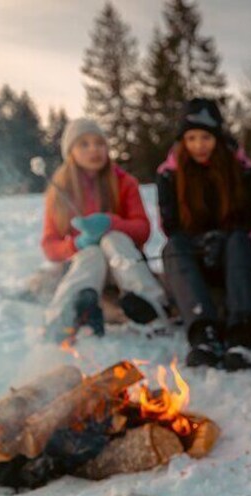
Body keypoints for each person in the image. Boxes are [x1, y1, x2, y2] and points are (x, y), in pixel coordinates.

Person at [156, 98, 251, 371]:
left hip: (238, 255)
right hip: (195, 258)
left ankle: (243, 334)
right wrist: (200, 241)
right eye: (191, 138)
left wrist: (226, 236)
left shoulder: (241, 169)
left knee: (239, 242)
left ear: (217, 136)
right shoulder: (169, 175)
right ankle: (203, 333)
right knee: (174, 247)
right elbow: (170, 224)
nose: (198, 145)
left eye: (205, 137)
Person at [42, 118, 167, 342]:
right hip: (84, 267)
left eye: (99, 143)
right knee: (92, 252)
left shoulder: (125, 182)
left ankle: (150, 307)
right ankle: (65, 317)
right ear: (70, 151)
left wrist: (111, 223)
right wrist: (76, 244)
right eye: (84, 144)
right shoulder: (60, 191)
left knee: (113, 239)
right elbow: (50, 246)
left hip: (124, 262)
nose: (94, 150)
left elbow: (143, 230)